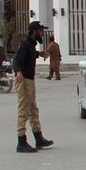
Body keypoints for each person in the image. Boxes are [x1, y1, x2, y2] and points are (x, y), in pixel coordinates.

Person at [13, 21, 53, 153]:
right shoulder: (25, 44)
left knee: (33, 110)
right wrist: (18, 72)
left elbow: (29, 56)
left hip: (29, 80)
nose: (42, 33)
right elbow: (17, 60)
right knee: (23, 111)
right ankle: (21, 142)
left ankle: (38, 137)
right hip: (23, 80)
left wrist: (38, 54)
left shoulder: (30, 45)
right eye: (41, 30)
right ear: (34, 31)